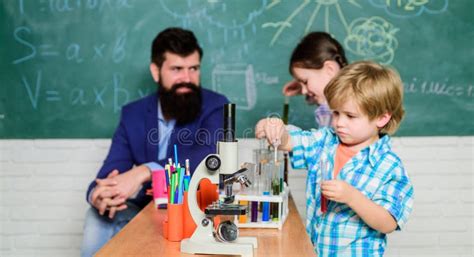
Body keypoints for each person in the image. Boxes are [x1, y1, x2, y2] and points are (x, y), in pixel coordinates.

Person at [80, 27, 229, 257]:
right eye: (177, 69)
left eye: (194, 69)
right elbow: (111, 170)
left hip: (193, 210)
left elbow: (207, 154)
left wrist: (145, 171)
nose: (187, 79)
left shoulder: (215, 106)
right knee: (96, 217)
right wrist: (100, 195)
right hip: (144, 209)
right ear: (156, 71)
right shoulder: (133, 114)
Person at [256, 61, 414, 256]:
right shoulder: (325, 142)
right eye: (336, 113)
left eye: (350, 116)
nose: (339, 123)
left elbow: (388, 223)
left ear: (381, 118)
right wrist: (272, 126)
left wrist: (352, 197)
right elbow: (289, 140)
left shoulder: (389, 166)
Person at [282, 31, 348, 127]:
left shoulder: (349, 109)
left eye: (305, 81)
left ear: (330, 69)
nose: (304, 91)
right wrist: (303, 86)